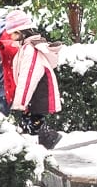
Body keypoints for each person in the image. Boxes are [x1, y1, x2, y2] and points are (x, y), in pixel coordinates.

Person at [4, 9, 63, 149]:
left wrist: (21, 101)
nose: (10, 35)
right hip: (36, 93)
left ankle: (43, 143)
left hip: (37, 93)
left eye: (12, 32)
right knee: (31, 122)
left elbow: (28, 77)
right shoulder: (26, 47)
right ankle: (44, 142)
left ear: (21, 32)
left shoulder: (30, 50)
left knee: (31, 123)